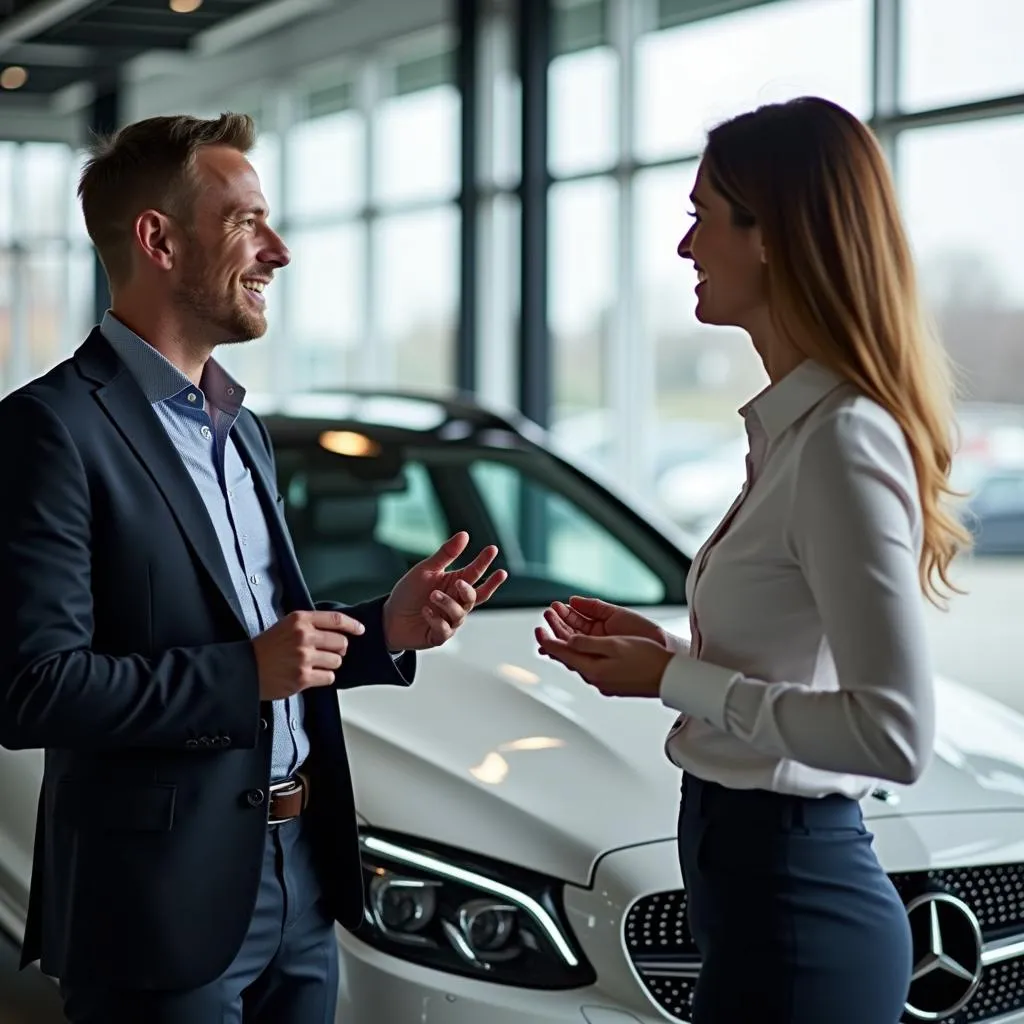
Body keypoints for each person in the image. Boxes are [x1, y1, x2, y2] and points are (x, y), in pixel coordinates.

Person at [0, 112, 506, 1024]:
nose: (278, 251)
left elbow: (263, 643)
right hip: (158, 907)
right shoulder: (49, 431)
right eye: (246, 222)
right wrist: (244, 674)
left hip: (299, 882)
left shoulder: (243, 432)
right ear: (158, 238)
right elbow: (32, 688)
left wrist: (382, 629)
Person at [535, 96, 971, 1024]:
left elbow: (892, 736)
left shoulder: (843, 439)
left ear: (769, 234)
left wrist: (677, 680)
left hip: (798, 911)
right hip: (756, 896)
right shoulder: (795, 432)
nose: (686, 247)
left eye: (700, 216)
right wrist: (661, 652)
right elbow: (790, 651)